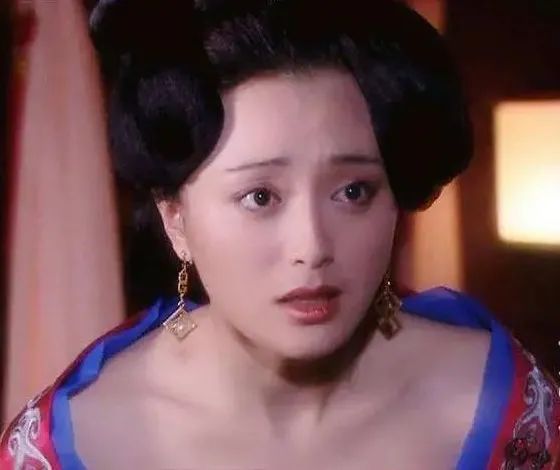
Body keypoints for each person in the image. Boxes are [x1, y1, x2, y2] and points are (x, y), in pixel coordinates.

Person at [2, 0, 559, 468]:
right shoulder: (81, 440)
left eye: (353, 191)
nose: (312, 247)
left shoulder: (500, 410)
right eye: (260, 198)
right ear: (175, 218)